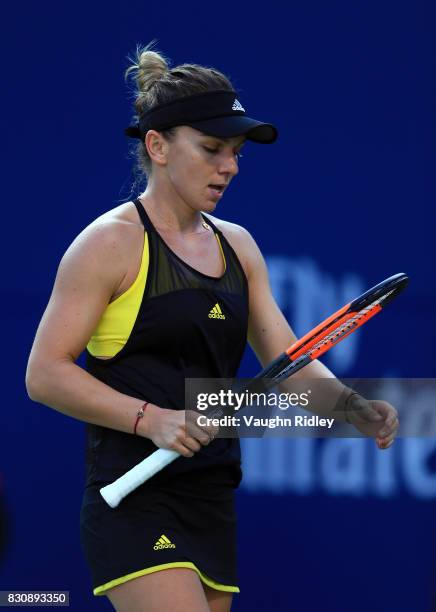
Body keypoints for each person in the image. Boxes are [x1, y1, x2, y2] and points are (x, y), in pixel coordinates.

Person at [25, 42, 399, 612]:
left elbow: (286, 357)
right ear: (158, 147)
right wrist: (151, 419)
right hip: (135, 497)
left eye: (236, 152)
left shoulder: (239, 246)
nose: (229, 166)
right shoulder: (107, 244)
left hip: (212, 491)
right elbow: (44, 374)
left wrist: (349, 406)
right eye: (212, 148)